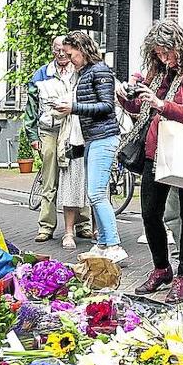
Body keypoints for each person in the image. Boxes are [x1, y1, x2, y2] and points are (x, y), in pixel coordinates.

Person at [120, 20, 183, 304]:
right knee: (150, 212)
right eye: (158, 54)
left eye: (166, 52)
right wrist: (127, 96)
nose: (163, 58)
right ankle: (162, 268)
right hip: (156, 148)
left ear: (179, 46)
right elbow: (141, 107)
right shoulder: (160, 71)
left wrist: (161, 104)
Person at [52, 32, 126, 263]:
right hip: (92, 138)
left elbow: (106, 106)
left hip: (104, 137)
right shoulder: (85, 73)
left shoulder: (100, 71)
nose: (69, 58)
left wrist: (73, 107)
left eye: (71, 54)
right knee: (94, 193)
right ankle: (102, 243)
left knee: (96, 193)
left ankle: (113, 245)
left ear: (82, 50)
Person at [23, 35, 93, 243]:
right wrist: (33, 135)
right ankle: (46, 225)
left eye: (64, 49)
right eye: (57, 50)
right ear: (52, 51)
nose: (61, 53)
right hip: (50, 130)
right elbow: (31, 107)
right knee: (50, 177)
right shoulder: (42, 74)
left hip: (75, 129)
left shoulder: (79, 71)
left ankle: (82, 224)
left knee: (78, 174)